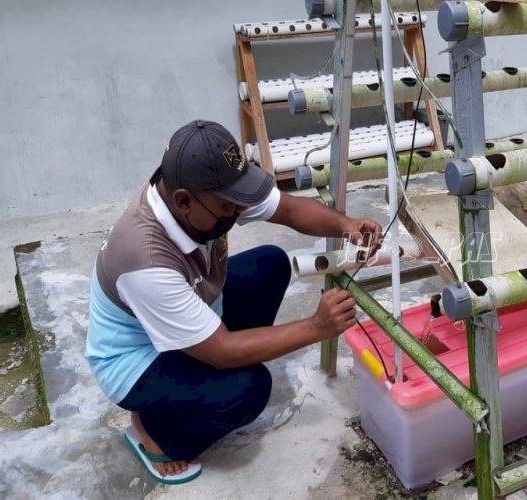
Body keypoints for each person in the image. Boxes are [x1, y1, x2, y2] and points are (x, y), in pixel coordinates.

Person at [85, 120, 382, 484]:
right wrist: (315, 327)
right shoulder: (145, 260)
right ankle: (156, 433)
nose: (239, 212)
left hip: (190, 308)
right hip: (136, 360)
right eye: (229, 207)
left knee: (270, 264)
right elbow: (221, 350)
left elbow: (287, 209)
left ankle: (195, 386)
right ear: (183, 201)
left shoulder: (199, 196)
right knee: (247, 391)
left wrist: (347, 226)